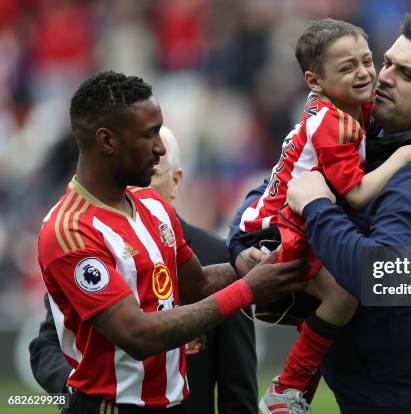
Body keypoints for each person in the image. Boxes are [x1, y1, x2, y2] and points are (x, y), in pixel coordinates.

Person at [229, 14, 411, 414]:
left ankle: (290, 388)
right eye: (389, 63)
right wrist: (243, 248)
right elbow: (276, 187)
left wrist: (317, 207)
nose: (383, 77)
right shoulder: (374, 135)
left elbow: (377, 275)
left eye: (408, 75)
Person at [37, 71, 306, 413]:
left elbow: (197, 283)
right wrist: (248, 290)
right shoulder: (69, 231)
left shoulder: (152, 205)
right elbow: (137, 335)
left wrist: (247, 266)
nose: (161, 147)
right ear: (107, 141)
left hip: (174, 403)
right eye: (149, 134)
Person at [30, 126, 258, 413]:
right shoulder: (84, 243)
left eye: (151, 173)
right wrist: (81, 393)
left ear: (175, 182)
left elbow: (238, 386)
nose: (135, 187)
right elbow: (47, 345)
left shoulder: (217, 255)